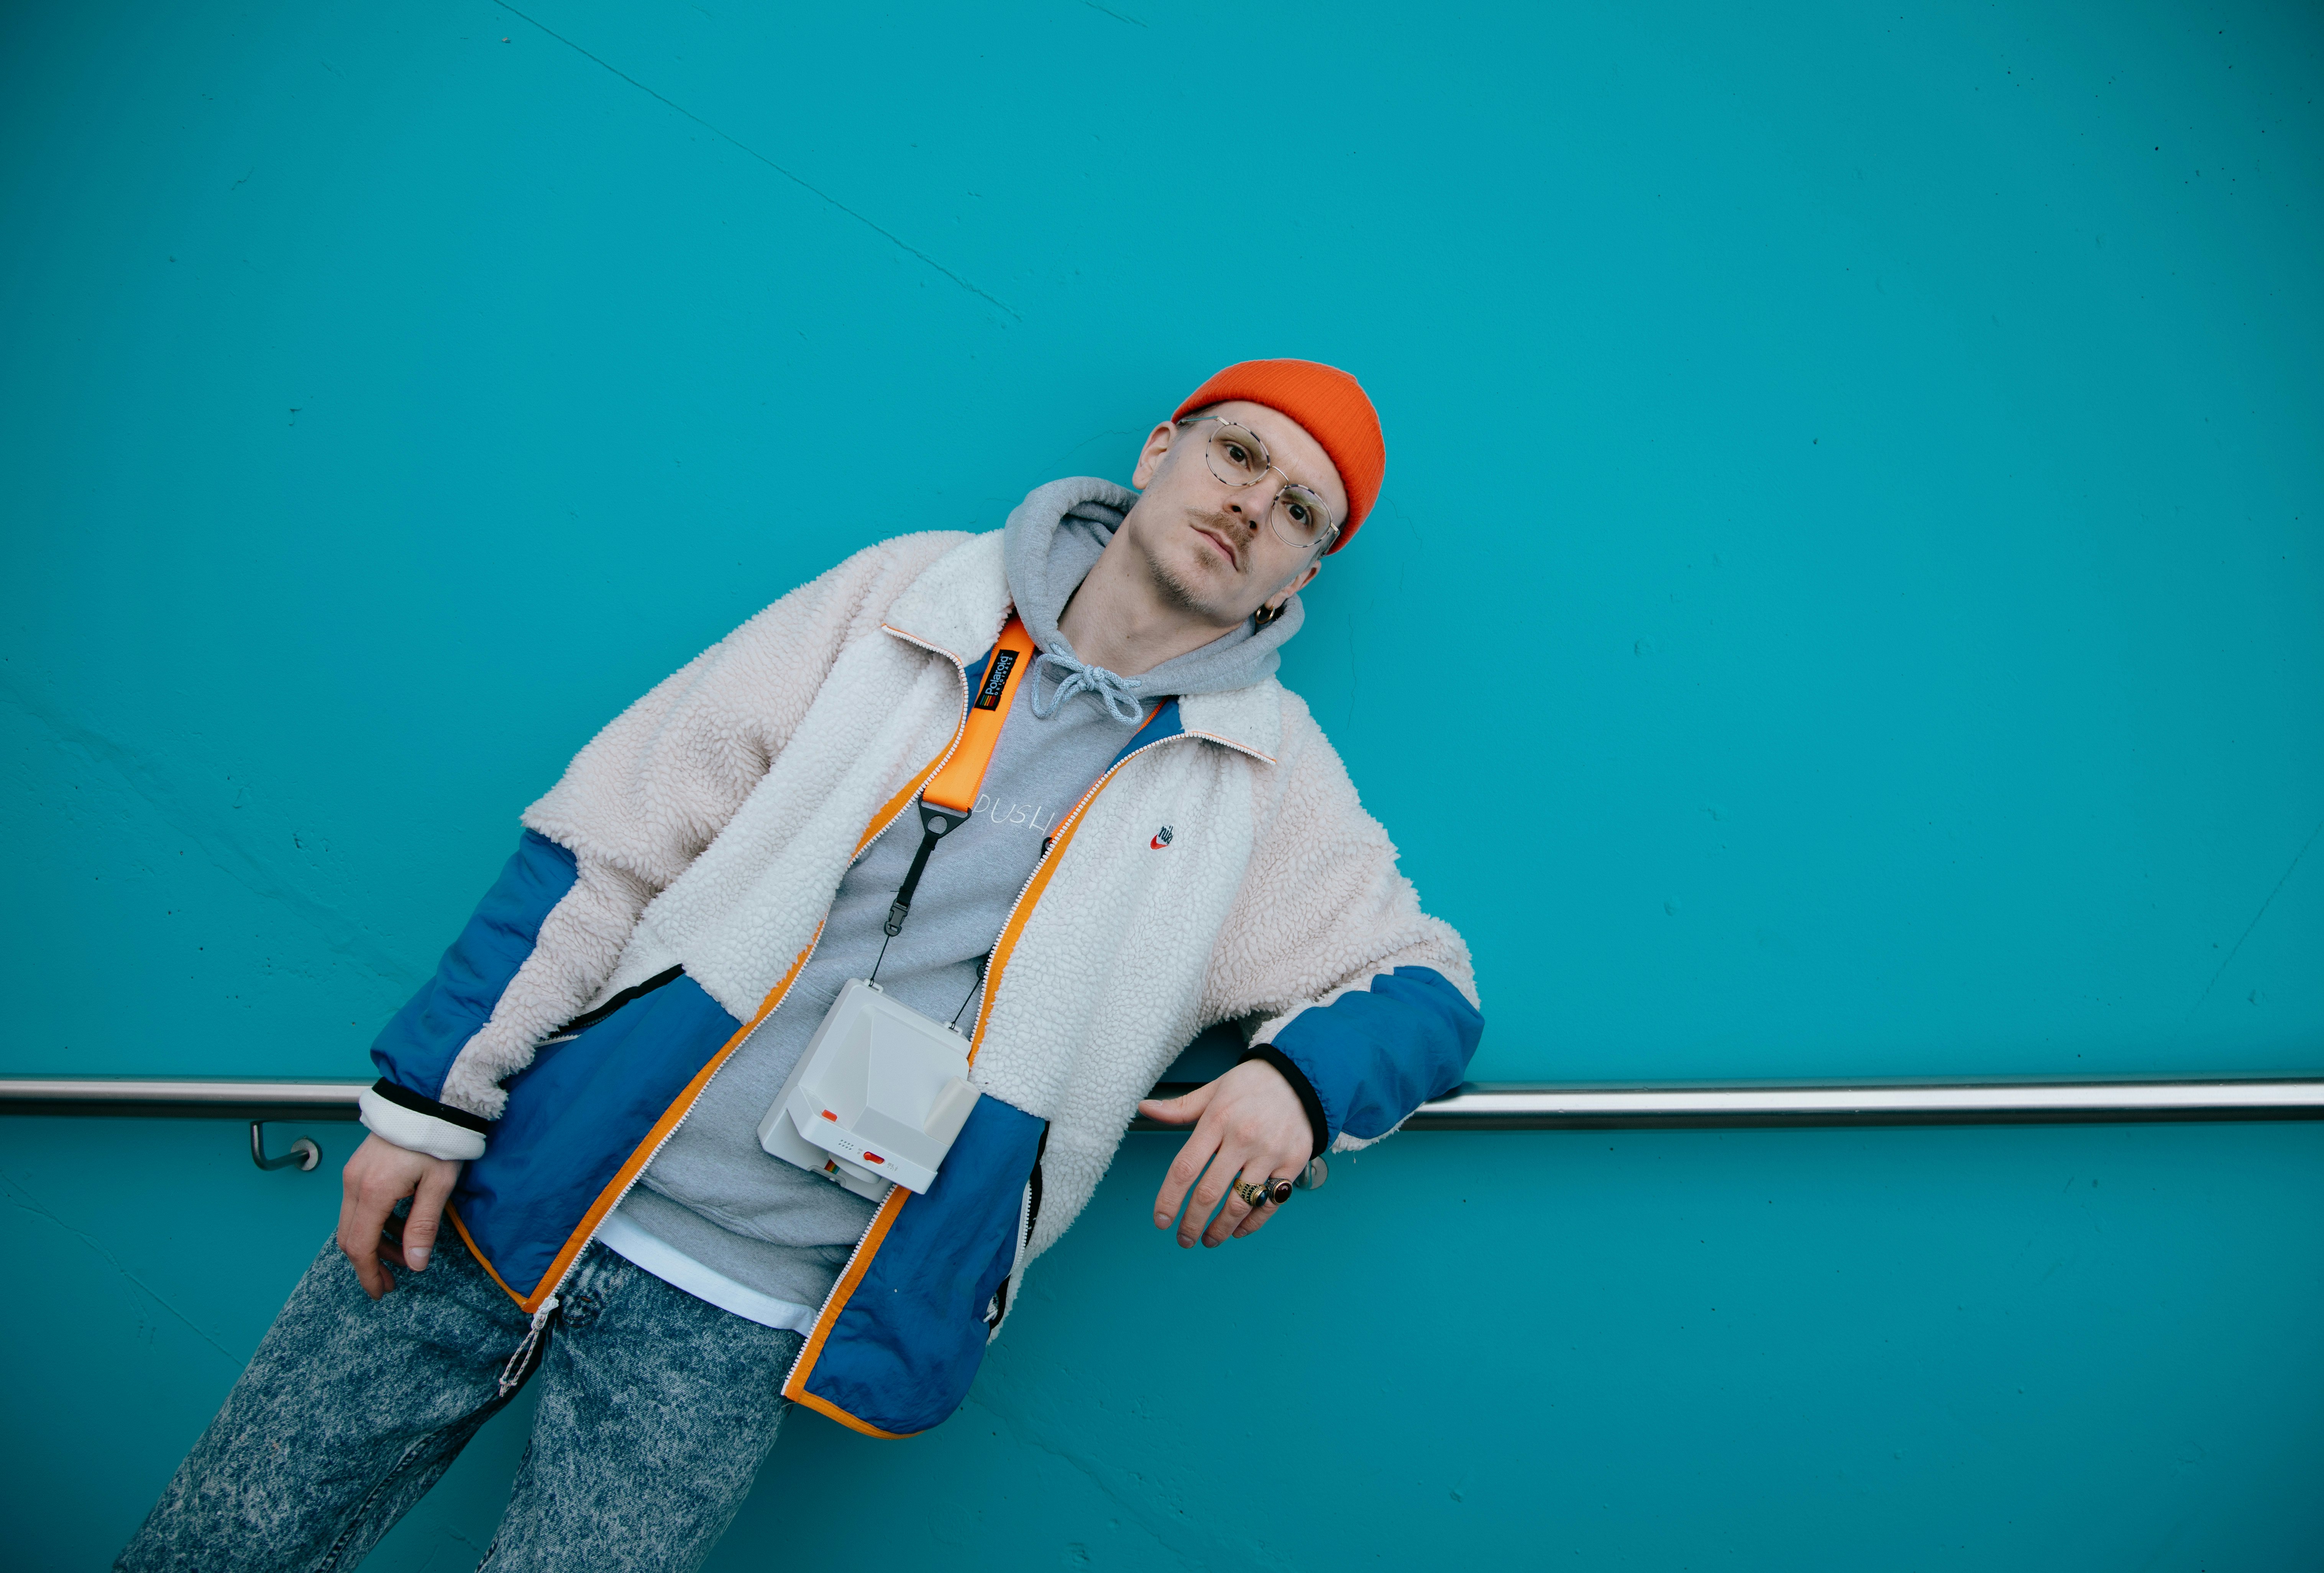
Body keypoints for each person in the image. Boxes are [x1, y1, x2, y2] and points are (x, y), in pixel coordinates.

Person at [118, 358, 1482, 1572]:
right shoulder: (912, 595)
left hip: (750, 1316)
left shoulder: (1263, 777)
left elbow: (1427, 981)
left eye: (1303, 510)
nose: (1255, 504)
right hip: (515, 1188)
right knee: (219, 1543)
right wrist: (431, 1099)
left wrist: (1299, 1087)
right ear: (1158, 450)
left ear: (1303, 576)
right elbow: (612, 830)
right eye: (1241, 454)